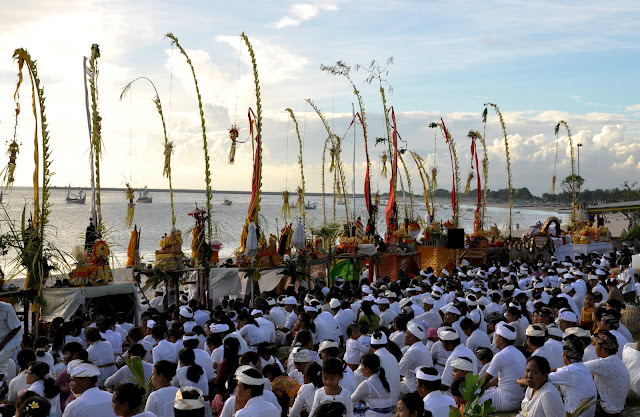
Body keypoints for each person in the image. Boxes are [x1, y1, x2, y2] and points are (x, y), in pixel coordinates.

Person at [479, 322, 526, 412]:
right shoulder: (519, 353)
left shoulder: (501, 356)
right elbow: (503, 379)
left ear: (501, 339)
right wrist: (487, 387)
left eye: (496, 336)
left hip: (507, 401)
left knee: (473, 401)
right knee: (486, 391)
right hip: (518, 400)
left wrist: (470, 390)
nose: (495, 339)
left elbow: (485, 379)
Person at [546, 336, 596, 417]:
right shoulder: (583, 367)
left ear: (565, 355)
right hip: (588, 414)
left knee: (543, 389)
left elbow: (540, 379)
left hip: (575, 414)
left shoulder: (569, 371)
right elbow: (561, 370)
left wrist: (518, 381)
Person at [584, 330, 630, 416]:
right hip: (618, 407)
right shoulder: (616, 360)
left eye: (596, 345)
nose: (594, 347)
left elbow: (576, 368)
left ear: (603, 349)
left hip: (608, 410)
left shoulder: (604, 363)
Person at [0, 300, 23, 377]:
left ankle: (2, 384)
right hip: (2, 338)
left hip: (13, 338)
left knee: (1, 360)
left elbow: (17, 328)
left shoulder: (7, 308)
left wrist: (2, 344)